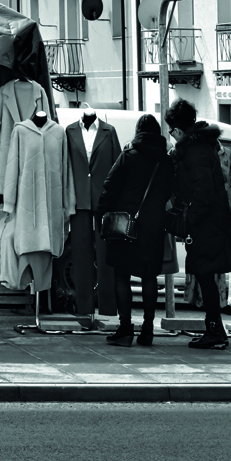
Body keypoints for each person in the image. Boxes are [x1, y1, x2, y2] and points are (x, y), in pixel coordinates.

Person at [165, 98, 231, 350]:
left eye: (171, 131)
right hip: (211, 222)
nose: (171, 136)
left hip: (207, 225)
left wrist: (188, 221)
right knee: (206, 276)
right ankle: (215, 329)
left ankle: (215, 331)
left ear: (178, 130)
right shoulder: (202, 147)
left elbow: (203, 193)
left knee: (206, 277)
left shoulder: (196, 152)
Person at [96, 114, 174, 346]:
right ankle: (148, 330)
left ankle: (125, 329)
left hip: (125, 226)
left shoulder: (128, 156)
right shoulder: (166, 161)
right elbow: (170, 191)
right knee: (150, 276)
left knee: (122, 275)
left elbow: (109, 188)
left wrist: (102, 217)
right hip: (154, 226)